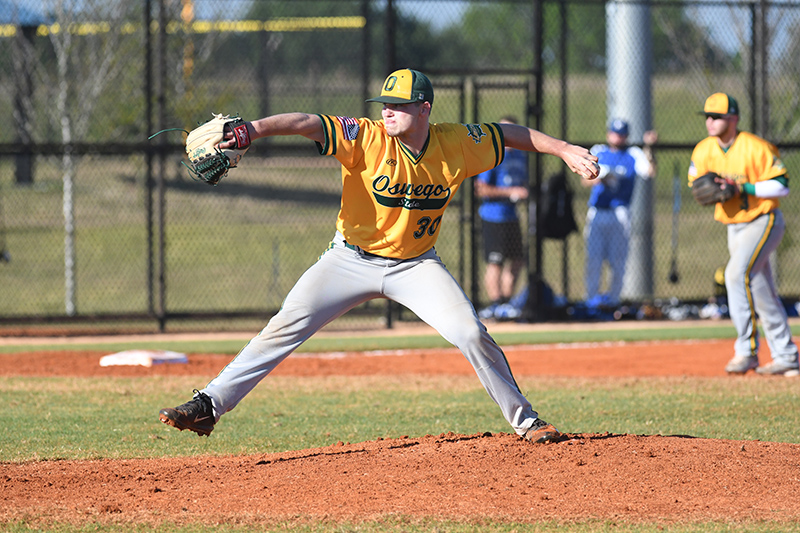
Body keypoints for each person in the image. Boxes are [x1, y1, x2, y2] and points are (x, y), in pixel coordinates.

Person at [158, 68, 600, 444]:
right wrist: (253, 129)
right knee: (283, 326)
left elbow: (508, 134)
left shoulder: (457, 142)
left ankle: (526, 422)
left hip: (416, 265)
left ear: (424, 109)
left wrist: (563, 149)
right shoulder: (366, 137)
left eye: (399, 104)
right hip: (348, 260)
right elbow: (309, 122)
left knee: (469, 331)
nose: (387, 109)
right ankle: (208, 405)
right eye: (384, 102)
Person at [689, 92, 799, 376]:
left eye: (717, 116)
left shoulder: (756, 147)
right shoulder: (703, 150)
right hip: (733, 225)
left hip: (763, 220)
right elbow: (697, 186)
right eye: (708, 117)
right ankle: (786, 355)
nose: (710, 122)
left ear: (734, 118)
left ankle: (746, 352)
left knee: (735, 275)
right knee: (761, 291)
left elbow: (782, 185)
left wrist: (743, 188)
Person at [582, 119, 657, 308]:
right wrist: (601, 179)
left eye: (622, 134)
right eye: (614, 133)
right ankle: (591, 302)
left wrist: (649, 147)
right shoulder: (598, 151)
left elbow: (650, 171)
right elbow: (585, 181)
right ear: (608, 134)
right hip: (598, 211)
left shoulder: (633, 154)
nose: (617, 137)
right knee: (594, 259)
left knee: (618, 261)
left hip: (621, 211)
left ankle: (613, 302)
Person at [474, 116, 528, 321]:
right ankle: (496, 304)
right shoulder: (493, 155)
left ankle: (506, 302)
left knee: (516, 261)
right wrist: (510, 191)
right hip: (493, 216)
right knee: (495, 262)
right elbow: (481, 189)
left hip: (512, 216)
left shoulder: (520, 156)